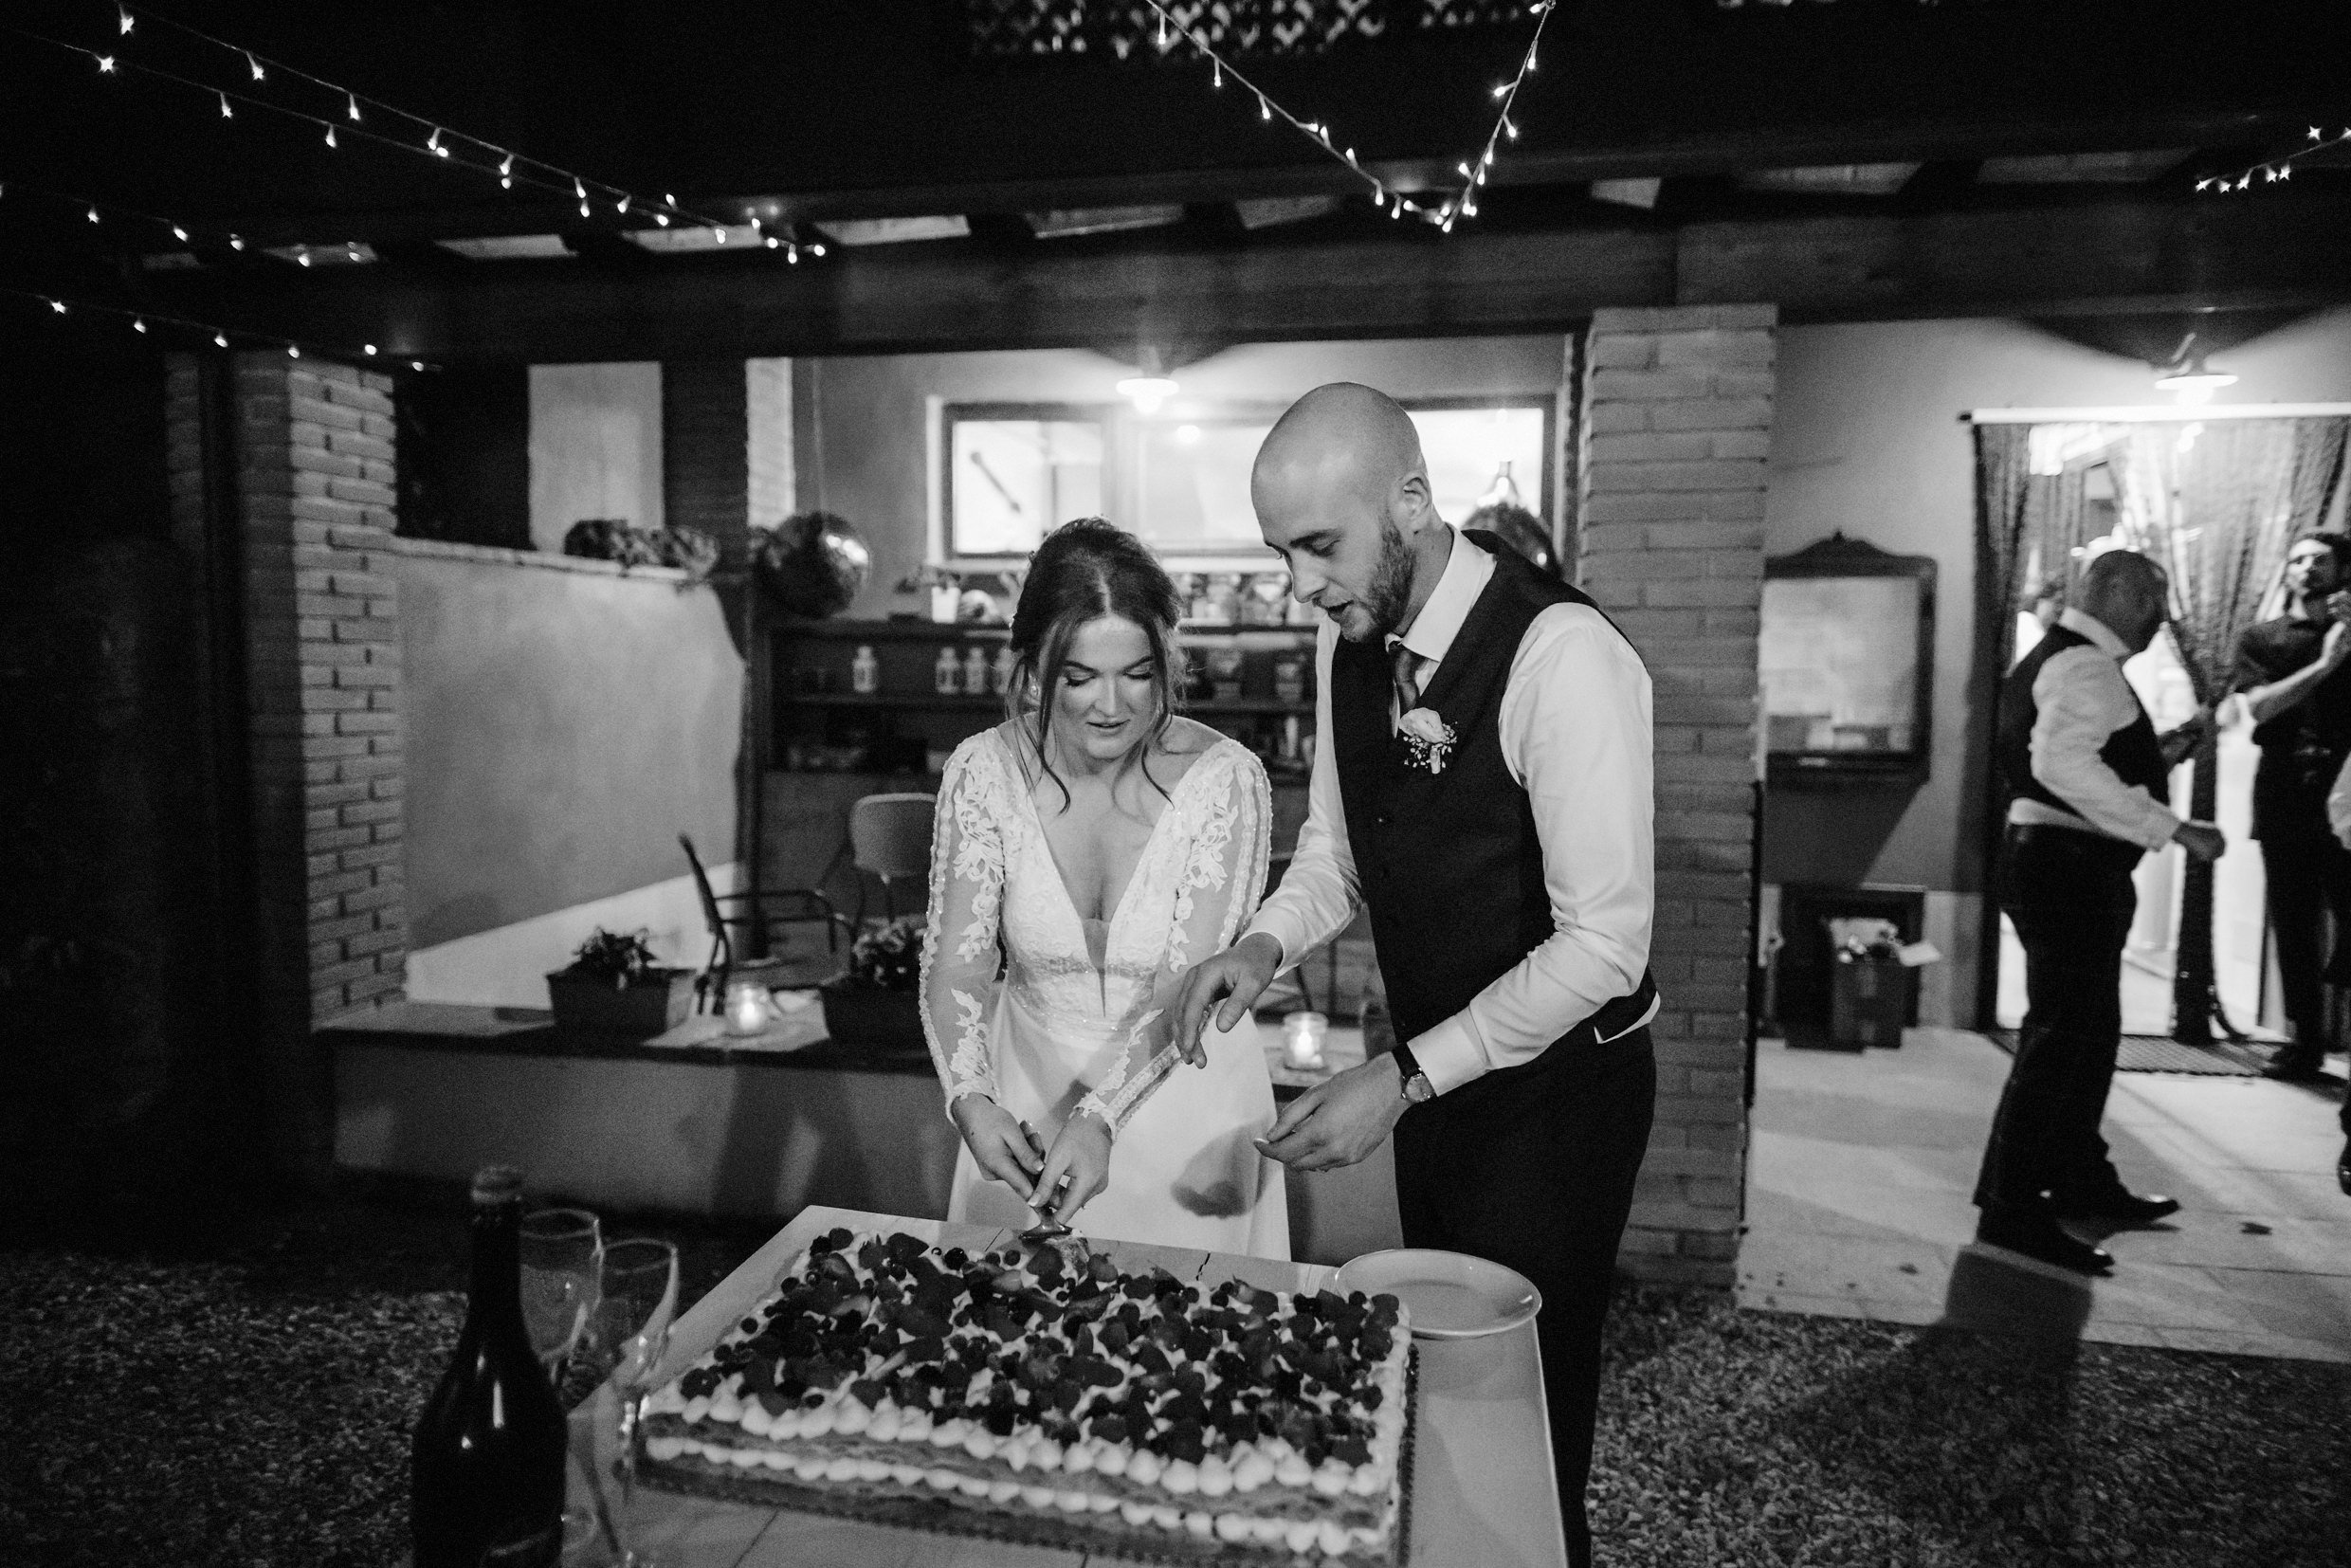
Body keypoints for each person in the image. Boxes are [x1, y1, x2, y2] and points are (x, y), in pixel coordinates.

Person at [1169, 383, 1658, 1568]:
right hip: (1436, 1082)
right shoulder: (1350, 648)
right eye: (1280, 552)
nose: (1298, 584)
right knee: (1432, 1372)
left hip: (1557, 1102)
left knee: (1523, 1403)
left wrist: (1398, 1077)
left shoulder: (1561, 654)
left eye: (1317, 546)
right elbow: (1336, 856)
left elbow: (1605, 946)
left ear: (1411, 503)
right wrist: (1260, 944)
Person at [917, 518, 1289, 1257]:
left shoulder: (1225, 781)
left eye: (1138, 673)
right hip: (1021, 1098)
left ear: (1168, 662)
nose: (1111, 705)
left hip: (1190, 1105)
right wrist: (969, 1096)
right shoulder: (983, 772)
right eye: (1080, 677)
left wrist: (1100, 1118)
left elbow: (1188, 987)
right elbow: (955, 964)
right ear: (1029, 672)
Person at [1975, 549, 2224, 1275]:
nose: (2161, 614)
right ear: (2115, 592)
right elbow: (2061, 767)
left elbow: (2077, 761)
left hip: (2063, 866)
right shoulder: (2084, 664)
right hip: (2067, 871)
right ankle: (2012, 1207)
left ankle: (2083, 1179)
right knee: (2062, 1038)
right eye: (2154, 596)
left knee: (2086, 1034)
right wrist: (2177, 828)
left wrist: (2164, 751)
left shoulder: (2070, 659)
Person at [2233, 532, 2351, 1083]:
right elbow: (2257, 708)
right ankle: (2304, 1040)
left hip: (2345, 790)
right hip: (2283, 786)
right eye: (2298, 560)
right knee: (2293, 918)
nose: (2307, 569)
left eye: (2319, 560)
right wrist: (2325, 666)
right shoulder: (2263, 637)